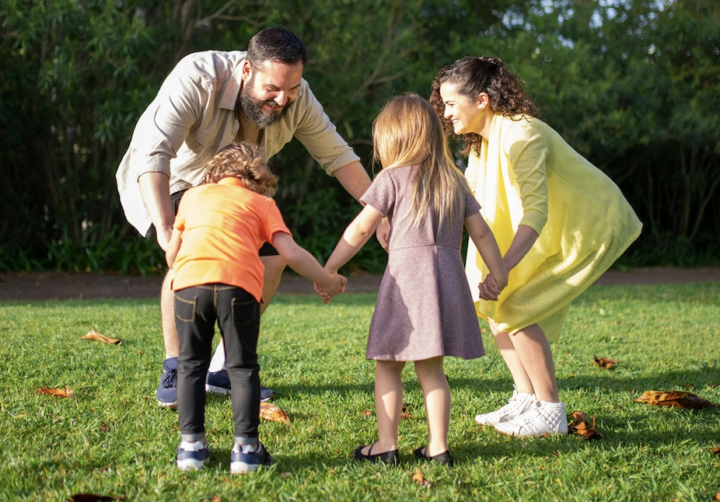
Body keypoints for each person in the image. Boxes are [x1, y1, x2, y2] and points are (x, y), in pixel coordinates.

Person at [116, 27, 381, 408]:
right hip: (178, 181)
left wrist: (379, 211)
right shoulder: (199, 76)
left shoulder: (296, 97)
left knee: (270, 260)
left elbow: (338, 156)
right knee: (193, 250)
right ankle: (176, 366)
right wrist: (165, 227)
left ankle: (222, 368)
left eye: (291, 89)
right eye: (273, 89)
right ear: (246, 70)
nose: (282, 99)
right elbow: (153, 154)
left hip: (241, 193)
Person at [430, 57, 642, 437]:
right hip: (544, 232)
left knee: (515, 303)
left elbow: (536, 211)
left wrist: (503, 268)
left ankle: (549, 411)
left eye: (450, 104)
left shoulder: (521, 134)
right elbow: (470, 200)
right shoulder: (480, 144)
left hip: (586, 228)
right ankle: (525, 397)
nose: (445, 114)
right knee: (493, 304)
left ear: (481, 100)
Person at [318, 94, 508, 466]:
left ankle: (386, 445)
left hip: (407, 285)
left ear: (393, 139)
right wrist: (498, 274)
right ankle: (438, 447)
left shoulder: (391, 178)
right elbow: (482, 234)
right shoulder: (453, 180)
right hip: (446, 283)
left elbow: (359, 230)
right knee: (433, 370)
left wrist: (329, 269)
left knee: (388, 364)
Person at [166, 143, 345, 473]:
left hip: (191, 286)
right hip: (239, 287)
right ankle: (246, 451)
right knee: (242, 367)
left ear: (215, 173)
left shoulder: (192, 197)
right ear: (260, 179)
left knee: (191, 364)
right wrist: (326, 279)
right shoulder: (263, 203)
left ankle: (191, 448)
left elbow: (171, 254)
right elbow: (289, 254)